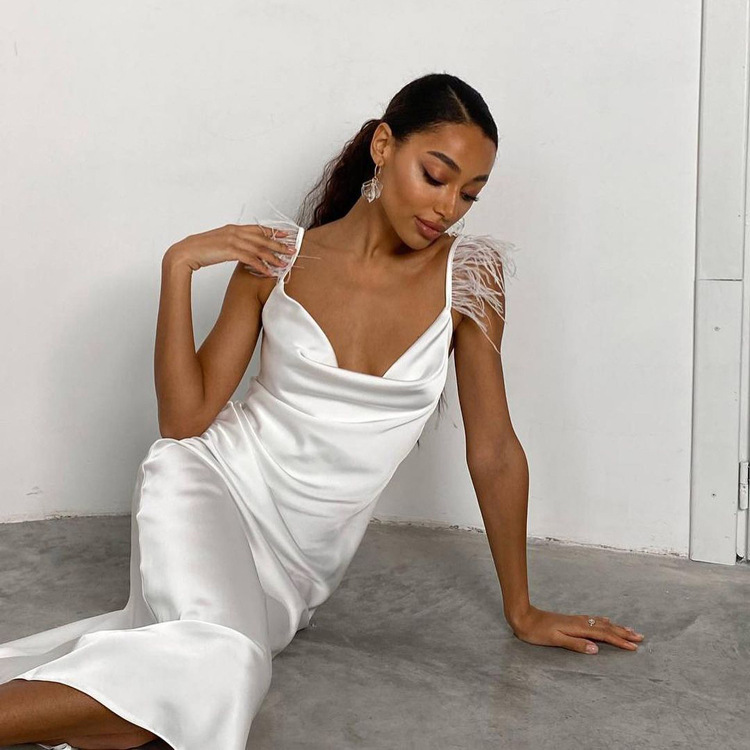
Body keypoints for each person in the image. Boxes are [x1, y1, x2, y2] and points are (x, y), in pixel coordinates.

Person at [0, 72, 645, 750]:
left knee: (203, 679)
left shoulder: (468, 277)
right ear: (384, 147)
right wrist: (178, 265)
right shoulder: (279, 258)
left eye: (469, 194)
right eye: (436, 176)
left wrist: (522, 608)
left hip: (298, 570)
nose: (448, 207)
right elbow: (184, 423)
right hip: (211, 487)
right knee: (222, 664)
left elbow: (494, 450)